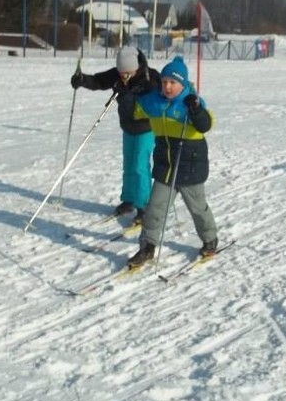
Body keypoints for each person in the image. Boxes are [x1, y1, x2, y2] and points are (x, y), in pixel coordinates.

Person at [126, 56, 218, 268]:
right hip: (165, 167)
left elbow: (205, 125)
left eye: (173, 83)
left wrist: (196, 109)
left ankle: (210, 239)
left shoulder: (190, 101)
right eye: (165, 81)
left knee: (197, 208)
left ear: (182, 84)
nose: (167, 86)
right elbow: (134, 108)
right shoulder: (155, 101)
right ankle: (147, 246)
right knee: (154, 208)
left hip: (190, 166)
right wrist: (131, 91)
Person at [71, 46, 159, 225]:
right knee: (128, 164)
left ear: (136, 67)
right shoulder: (118, 74)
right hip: (128, 127)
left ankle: (144, 206)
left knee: (140, 166)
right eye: (121, 73)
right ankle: (129, 199)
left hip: (145, 128)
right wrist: (82, 80)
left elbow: (150, 101)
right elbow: (98, 81)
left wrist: (125, 92)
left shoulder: (149, 78)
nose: (123, 76)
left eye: (127, 73)